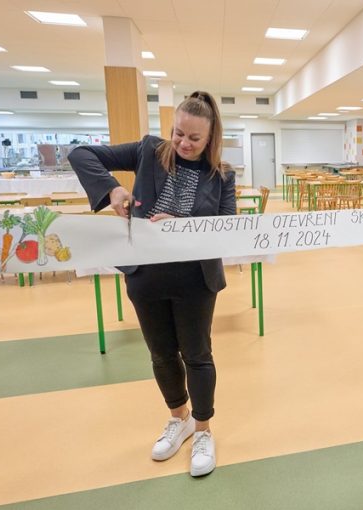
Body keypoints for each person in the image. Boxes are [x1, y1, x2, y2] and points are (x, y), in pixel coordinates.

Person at [68, 91, 235, 477]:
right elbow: (81, 154)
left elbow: (227, 229)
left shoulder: (222, 175)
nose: (183, 143)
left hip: (195, 278)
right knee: (161, 355)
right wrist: (112, 189)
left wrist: (182, 226)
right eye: (178, 133)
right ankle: (179, 419)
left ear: (211, 138)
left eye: (194, 138)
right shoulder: (148, 151)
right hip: (146, 275)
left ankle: (203, 430)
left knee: (197, 354)